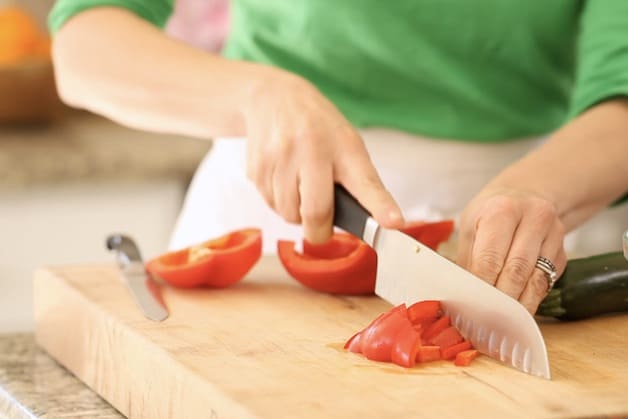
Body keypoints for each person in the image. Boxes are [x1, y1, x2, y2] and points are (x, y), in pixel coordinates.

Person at [48, 1, 628, 314]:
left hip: (518, 227)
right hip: (268, 216)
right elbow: (84, 48)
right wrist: (258, 96)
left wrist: (538, 192)